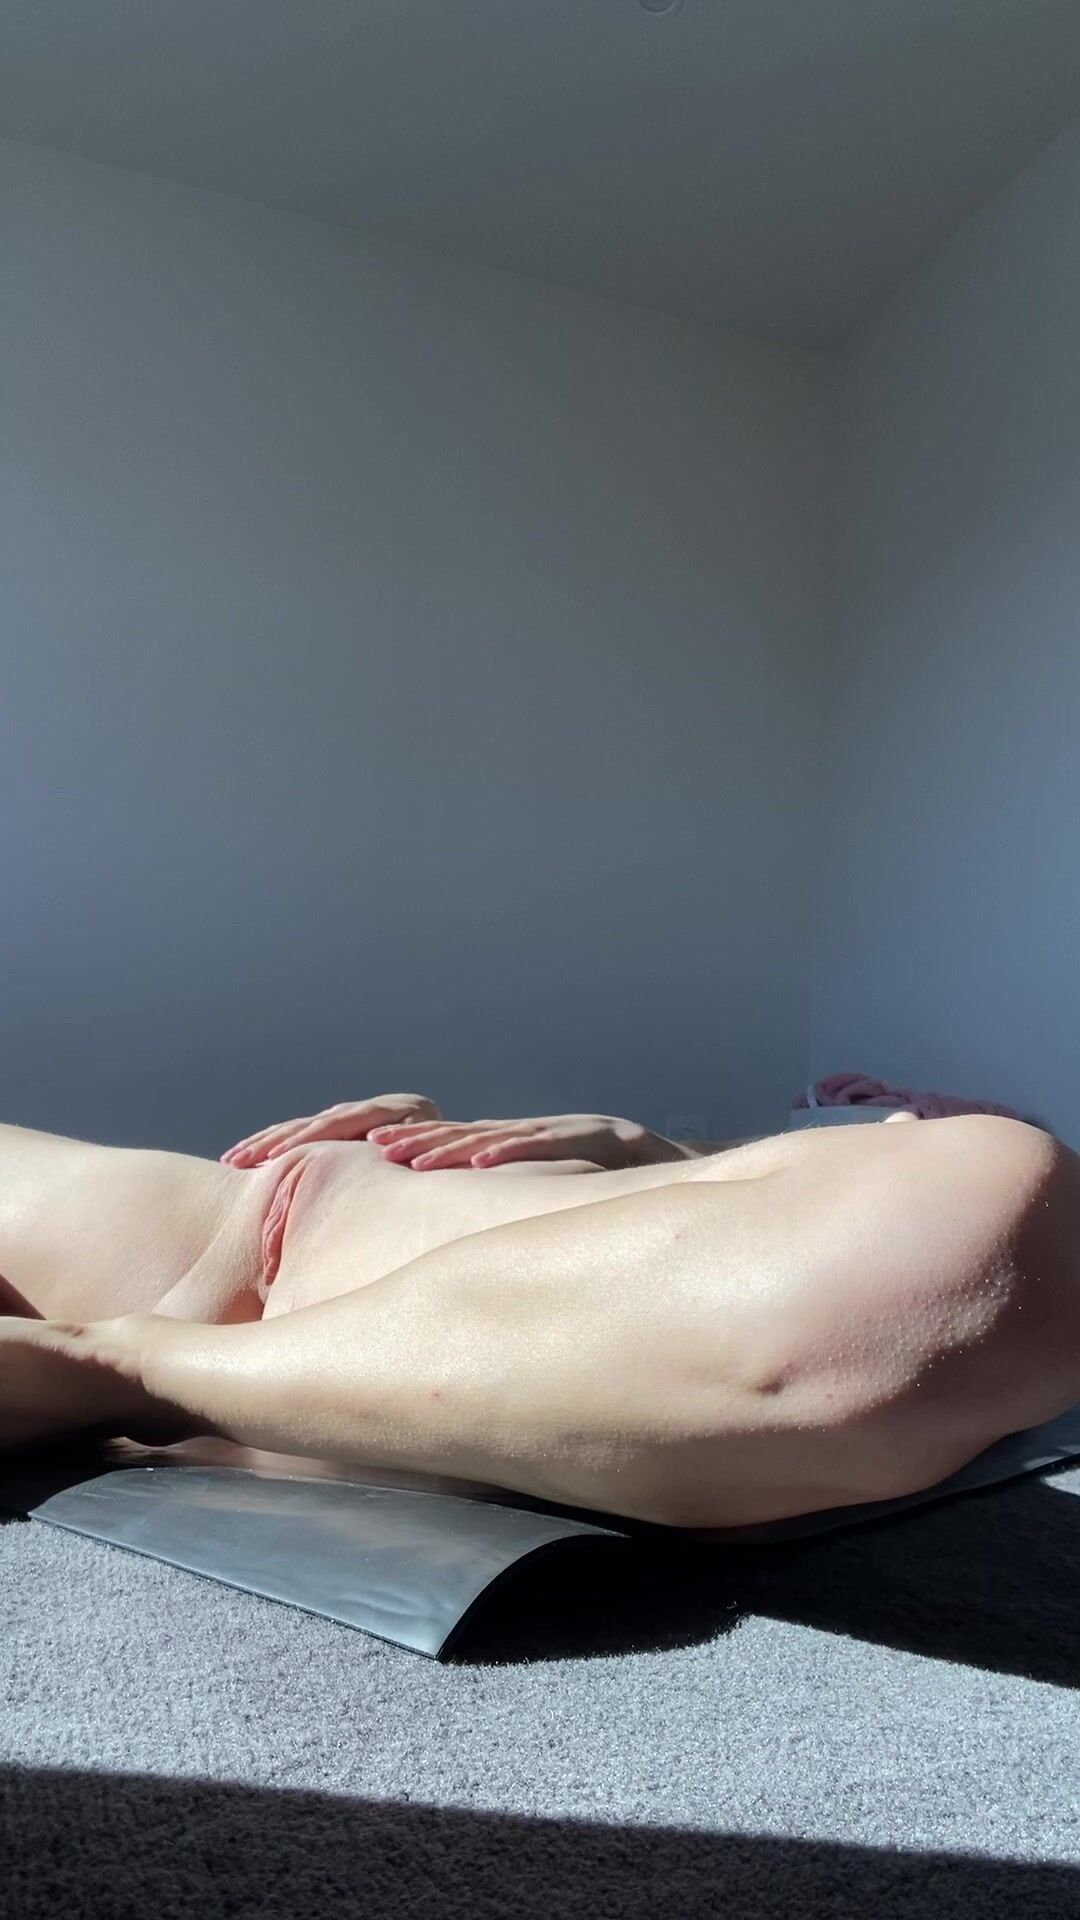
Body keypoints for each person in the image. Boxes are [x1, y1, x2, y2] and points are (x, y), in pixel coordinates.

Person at [1, 1092, 1077, 1529]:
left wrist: (137, 1363)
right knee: (1000, 1211)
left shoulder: (984, 1230)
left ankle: (127, 1372)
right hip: (238, 1222)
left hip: (239, 1279)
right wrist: (644, 1143)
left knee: (998, 1222)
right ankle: (130, 1369)